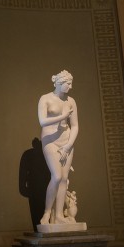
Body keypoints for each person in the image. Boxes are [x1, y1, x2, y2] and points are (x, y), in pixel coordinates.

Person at [37, 70, 79, 225]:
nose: (70, 86)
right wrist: (63, 116)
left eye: (71, 83)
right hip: (50, 141)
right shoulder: (45, 98)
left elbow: (74, 126)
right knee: (56, 176)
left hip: (66, 143)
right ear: (59, 83)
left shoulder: (71, 101)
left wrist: (68, 146)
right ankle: (47, 213)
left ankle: (59, 215)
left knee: (64, 179)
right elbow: (42, 121)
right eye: (68, 84)